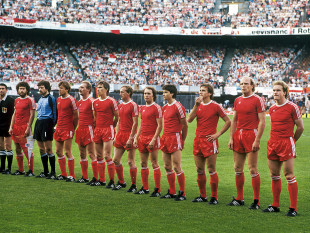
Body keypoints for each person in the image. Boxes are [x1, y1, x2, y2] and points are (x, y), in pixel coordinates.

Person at [263, 81, 304, 217]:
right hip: (273, 143)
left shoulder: (292, 107)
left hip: (286, 142)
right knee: (274, 175)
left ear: (284, 92)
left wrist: (291, 140)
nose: (275, 92)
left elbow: (300, 127)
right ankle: (275, 205)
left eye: (278, 90)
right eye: (274, 90)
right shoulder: (272, 108)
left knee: (289, 175)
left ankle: (293, 208)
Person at [187, 83, 231, 204]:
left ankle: (214, 197)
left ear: (210, 93)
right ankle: (202, 196)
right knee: (199, 169)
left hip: (210, 141)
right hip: (198, 140)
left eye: (203, 90)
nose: (200, 92)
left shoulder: (216, 106)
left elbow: (228, 121)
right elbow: (189, 120)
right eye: (200, 90)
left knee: (211, 169)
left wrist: (218, 134)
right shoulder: (198, 105)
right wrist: (196, 105)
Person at [228, 77, 266, 209]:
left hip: (251, 134)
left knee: (252, 169)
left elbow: (262, 121)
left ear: (252, 86)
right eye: (241, 84)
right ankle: (239, 198)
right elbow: (234, 120)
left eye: (246, 84)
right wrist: (231, 137)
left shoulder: (257, 100)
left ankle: (256, 201)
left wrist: (257, 139)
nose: (243, 86)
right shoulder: (237, 100)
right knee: (237, 168)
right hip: (238, 134)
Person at [160, 84, 188, 201]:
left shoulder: (178, 107)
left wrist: (182, 140)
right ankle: (171, 192)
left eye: (165, 92)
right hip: (165, 137)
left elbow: (184, 125)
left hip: (175, 137)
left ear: (172, 94)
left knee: (177, 166)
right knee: (167, 166)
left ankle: (182, 193)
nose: (163, 94)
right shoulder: (165, 107)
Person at [133, 87, 163, 196]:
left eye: (148, 93)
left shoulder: (157, 108)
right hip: (143, 138)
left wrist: (154, 139)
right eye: (145, 93)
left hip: (152, 138)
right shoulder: (143, 108)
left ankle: (157, 190)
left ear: (153, 95)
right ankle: (145, 188)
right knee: (143, 163)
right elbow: (141, 124)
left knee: (154, 163)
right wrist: (136, 137)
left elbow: (160, 126)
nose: (146, 95)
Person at [91, 81, 119, 187]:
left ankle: (111, 181)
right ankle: (101, 180)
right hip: (98, 129)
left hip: (108, 129)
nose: (98, 89)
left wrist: (112, 126)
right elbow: (95, 117)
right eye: (97, 87)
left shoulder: (111, 101)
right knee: (99, 156)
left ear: (106, 89)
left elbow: (117, 117)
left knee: (107, 155)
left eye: (101, 87)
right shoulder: (95, 102)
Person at [112, 85, 139, 192]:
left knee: (130, 161)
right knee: (115, 160)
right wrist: (116, 135)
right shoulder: (120, 105)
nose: (120, 94)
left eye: (122, 92)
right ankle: (121, 182)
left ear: (128, 93)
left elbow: (135, 123)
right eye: (120, 92)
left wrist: (131, 138)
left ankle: (134, 185)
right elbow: (118, 121)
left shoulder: (133, 105)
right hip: (120, 134)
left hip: (130, 134)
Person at [9, 82, 36, 176]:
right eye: (20, 88)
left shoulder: (30, 100)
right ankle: (21, 170)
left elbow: (32, 114)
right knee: (17, 149)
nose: (21, 90)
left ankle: (31, 171)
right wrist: (11, 127)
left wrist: (28, 127)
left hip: (25, 127)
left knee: (27, 149)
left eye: (23, 88)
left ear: (27, 90)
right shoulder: (16, 100)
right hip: (16, 127)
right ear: (17, 90)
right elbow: (14, 114)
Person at [54, 81, 78, 182]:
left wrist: (73, 127)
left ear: (67, 89)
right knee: (58, 152)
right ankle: (63, 174)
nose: (59, 90)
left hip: (68, 128)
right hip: (59, 128)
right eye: (59, 88)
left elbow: (76, 116)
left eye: (61, 88)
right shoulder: (58, 99)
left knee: (68, 152)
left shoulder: (71, 100)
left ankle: (71, 175)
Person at [33, 80, 57, 179]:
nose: (40, 89)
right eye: (39, 87)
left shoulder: (51, 98)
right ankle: (45, 171)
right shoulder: (40, 98)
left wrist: (53, 125)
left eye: (42, 87)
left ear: (47, 88)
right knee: (41, 149)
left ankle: (53, 172)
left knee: (48, 149)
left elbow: (55, 113)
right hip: (38, 122)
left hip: (47, 123)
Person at [75, 81, 97, 184]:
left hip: (89, 129)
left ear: (88, 89)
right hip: (80, 129)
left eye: (83, 87)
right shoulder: (79, 102)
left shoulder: (92, 101)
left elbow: (95, 118)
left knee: (92, 154)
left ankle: (96, 178)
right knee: (82, 154)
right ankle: (85, 177)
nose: (80, 89)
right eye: (80, 87)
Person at [0, 83, 14, 174]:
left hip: (8, 126)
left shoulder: (10, 100)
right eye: (0, 88)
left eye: (3, 88)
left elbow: (13, 115)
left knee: (8, 147)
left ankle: (8, 168)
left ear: (6, 90)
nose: (1, 90)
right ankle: (2, 168)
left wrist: (11, 127)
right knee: (1, 147)